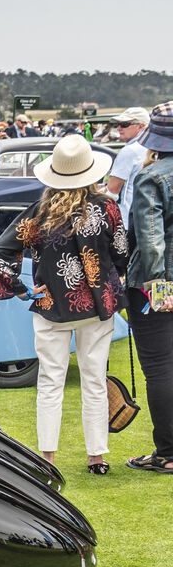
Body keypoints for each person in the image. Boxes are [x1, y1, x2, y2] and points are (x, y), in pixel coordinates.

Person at [0, 134, 125, 476]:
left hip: (50, 305)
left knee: (50, 382)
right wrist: (107, 282)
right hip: (97, 308)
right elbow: (122, 254)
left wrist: (21, 290)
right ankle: (97, 457)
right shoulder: (107, 208)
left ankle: (47, 458)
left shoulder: (41, 212)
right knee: (94, 380)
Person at [125, 102, 173, 474]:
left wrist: (159, 289)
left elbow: (151, 239)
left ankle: (168, 453)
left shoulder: (152, 175)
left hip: (157, 285)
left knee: (159, 369)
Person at [105, 107, 150, 228]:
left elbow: (112, 191)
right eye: (118, 124)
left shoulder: (129, 151)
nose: (119, 128)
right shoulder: (152, 148)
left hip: (127, 220)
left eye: (124, 124)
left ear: (141, 126)